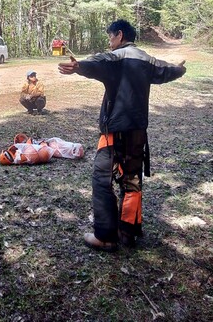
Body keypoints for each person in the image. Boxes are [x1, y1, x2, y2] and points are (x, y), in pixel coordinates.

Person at [58, 19, 186, 252]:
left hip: (114, 130)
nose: (109, 42)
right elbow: (167, 70)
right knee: (132, 179)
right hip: (138, 131)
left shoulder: (116, 57)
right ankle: (128, 232)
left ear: (119, 35)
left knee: (102, 178)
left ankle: (105, 237)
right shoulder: (147, 59)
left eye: (110, 37)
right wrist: (180, 69)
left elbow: (98, 62)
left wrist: (79, 67)